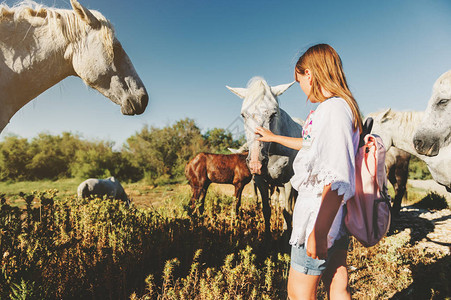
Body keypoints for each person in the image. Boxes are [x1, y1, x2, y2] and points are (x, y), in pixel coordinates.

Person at [255, 44, 362, 299]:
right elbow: (312, 145)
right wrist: (273, 137)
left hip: (318, 215)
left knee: (298, 294)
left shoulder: (332, 111)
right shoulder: (342, 108)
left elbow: (337, 176)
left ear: (309, 75)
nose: (301, 87)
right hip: (336, 215)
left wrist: (318, 232)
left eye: (299, 79)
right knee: (337, 286)